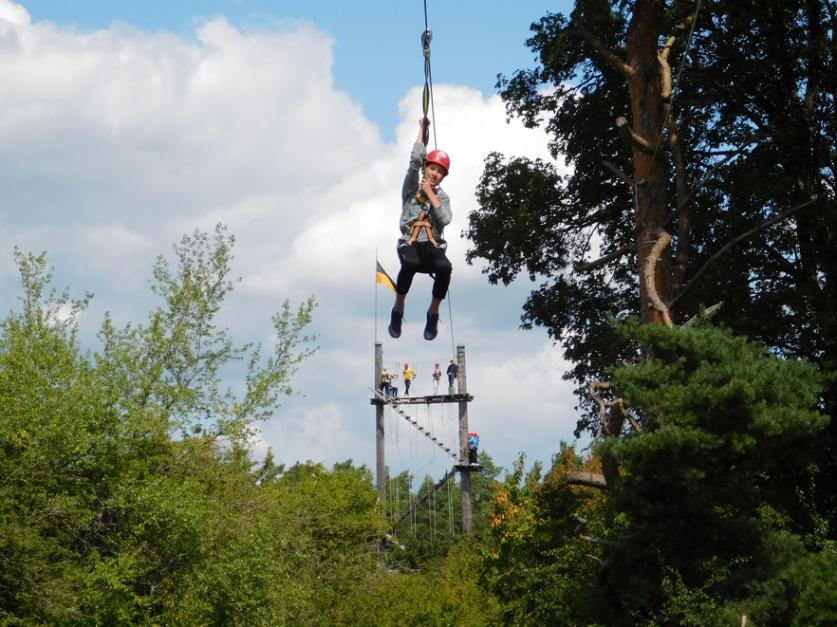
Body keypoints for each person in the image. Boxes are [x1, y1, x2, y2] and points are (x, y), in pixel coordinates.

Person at [388, 118, 453, 342]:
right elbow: (415, 161)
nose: (434, 173)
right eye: (432, 168)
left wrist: (432, 195)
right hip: (411, 244)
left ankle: (433, 313)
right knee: (411, 263)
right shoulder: (410, 189)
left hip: (432, 246)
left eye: (439, 172)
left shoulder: (442, 197)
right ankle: (398, 309)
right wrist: (422, 130)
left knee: (445, 268)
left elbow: (445, 219)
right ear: (426, 169)